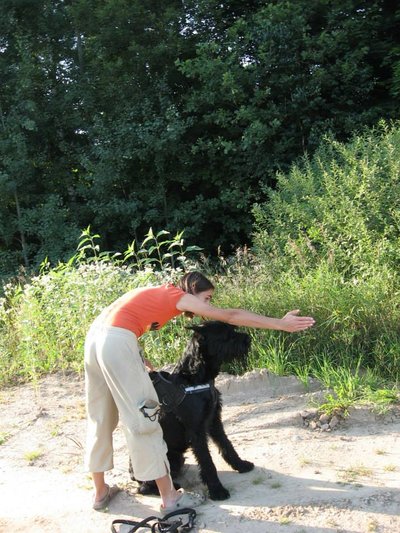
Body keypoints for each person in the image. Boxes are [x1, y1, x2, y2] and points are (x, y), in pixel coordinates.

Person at [84, 271, 315, 512]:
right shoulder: (176, 295)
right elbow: (231, 315)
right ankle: (170, 497)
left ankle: (100, 492)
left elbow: (121, 322)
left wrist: (138, 355)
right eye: (207, 298)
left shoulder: (155, 294)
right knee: (145, 418)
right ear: (192, 290)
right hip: (117, 341)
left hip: (95, 339)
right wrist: (280, 324)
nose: (208, 305)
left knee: (99, 417)